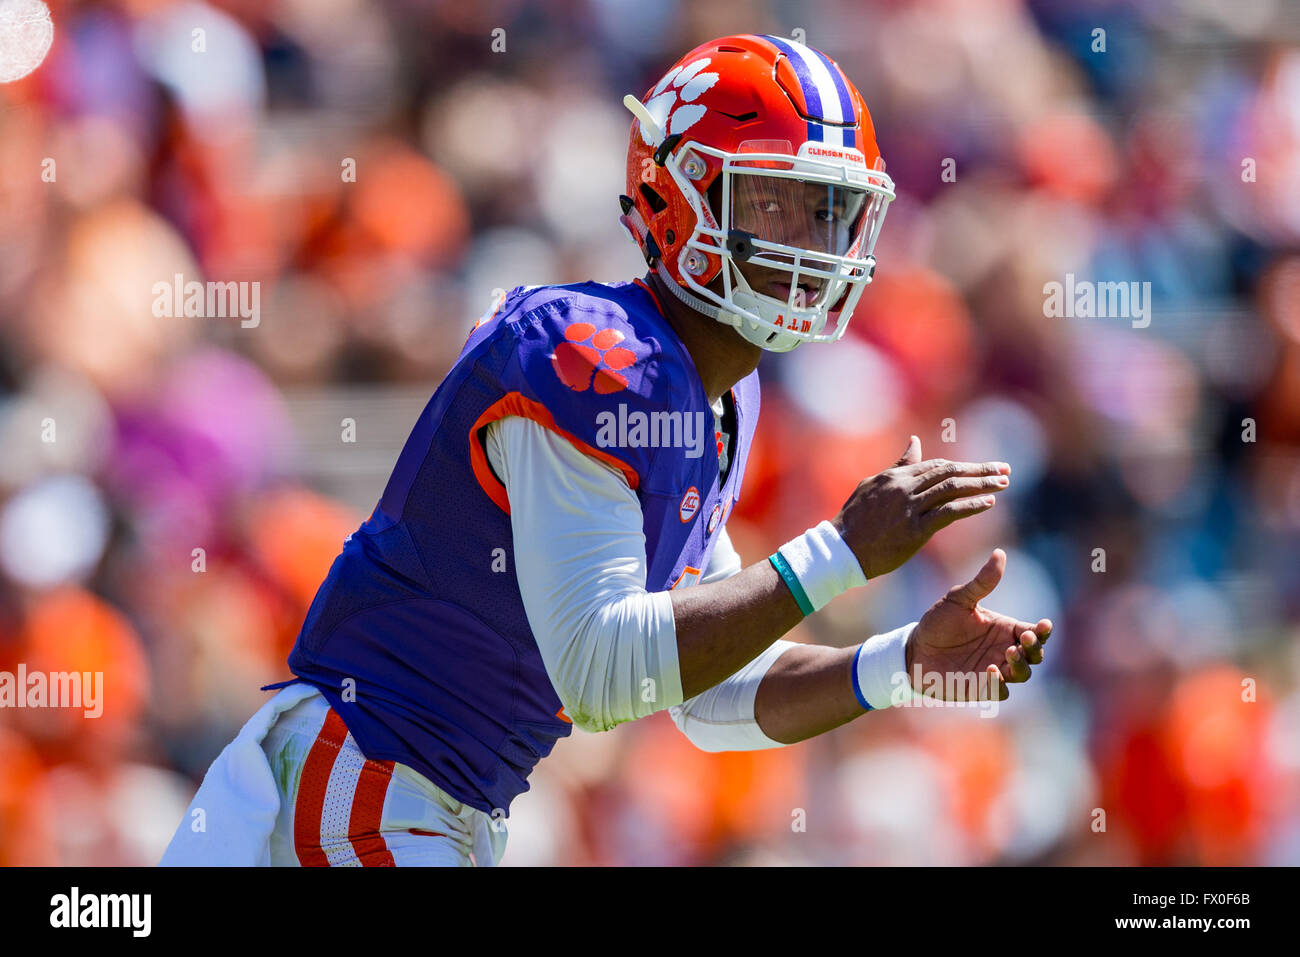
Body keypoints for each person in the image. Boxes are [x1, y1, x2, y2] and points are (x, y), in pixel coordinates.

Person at [162, 33, 1051, 867]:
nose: (811, 241)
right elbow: (600, 671)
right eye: (774, 199)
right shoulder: (594, 353)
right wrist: (843, 551)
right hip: (364, 774)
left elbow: (702, 690)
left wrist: (899, 665)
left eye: (828, 208)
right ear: (679, 194)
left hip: (423, 797)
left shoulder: (714, 396)